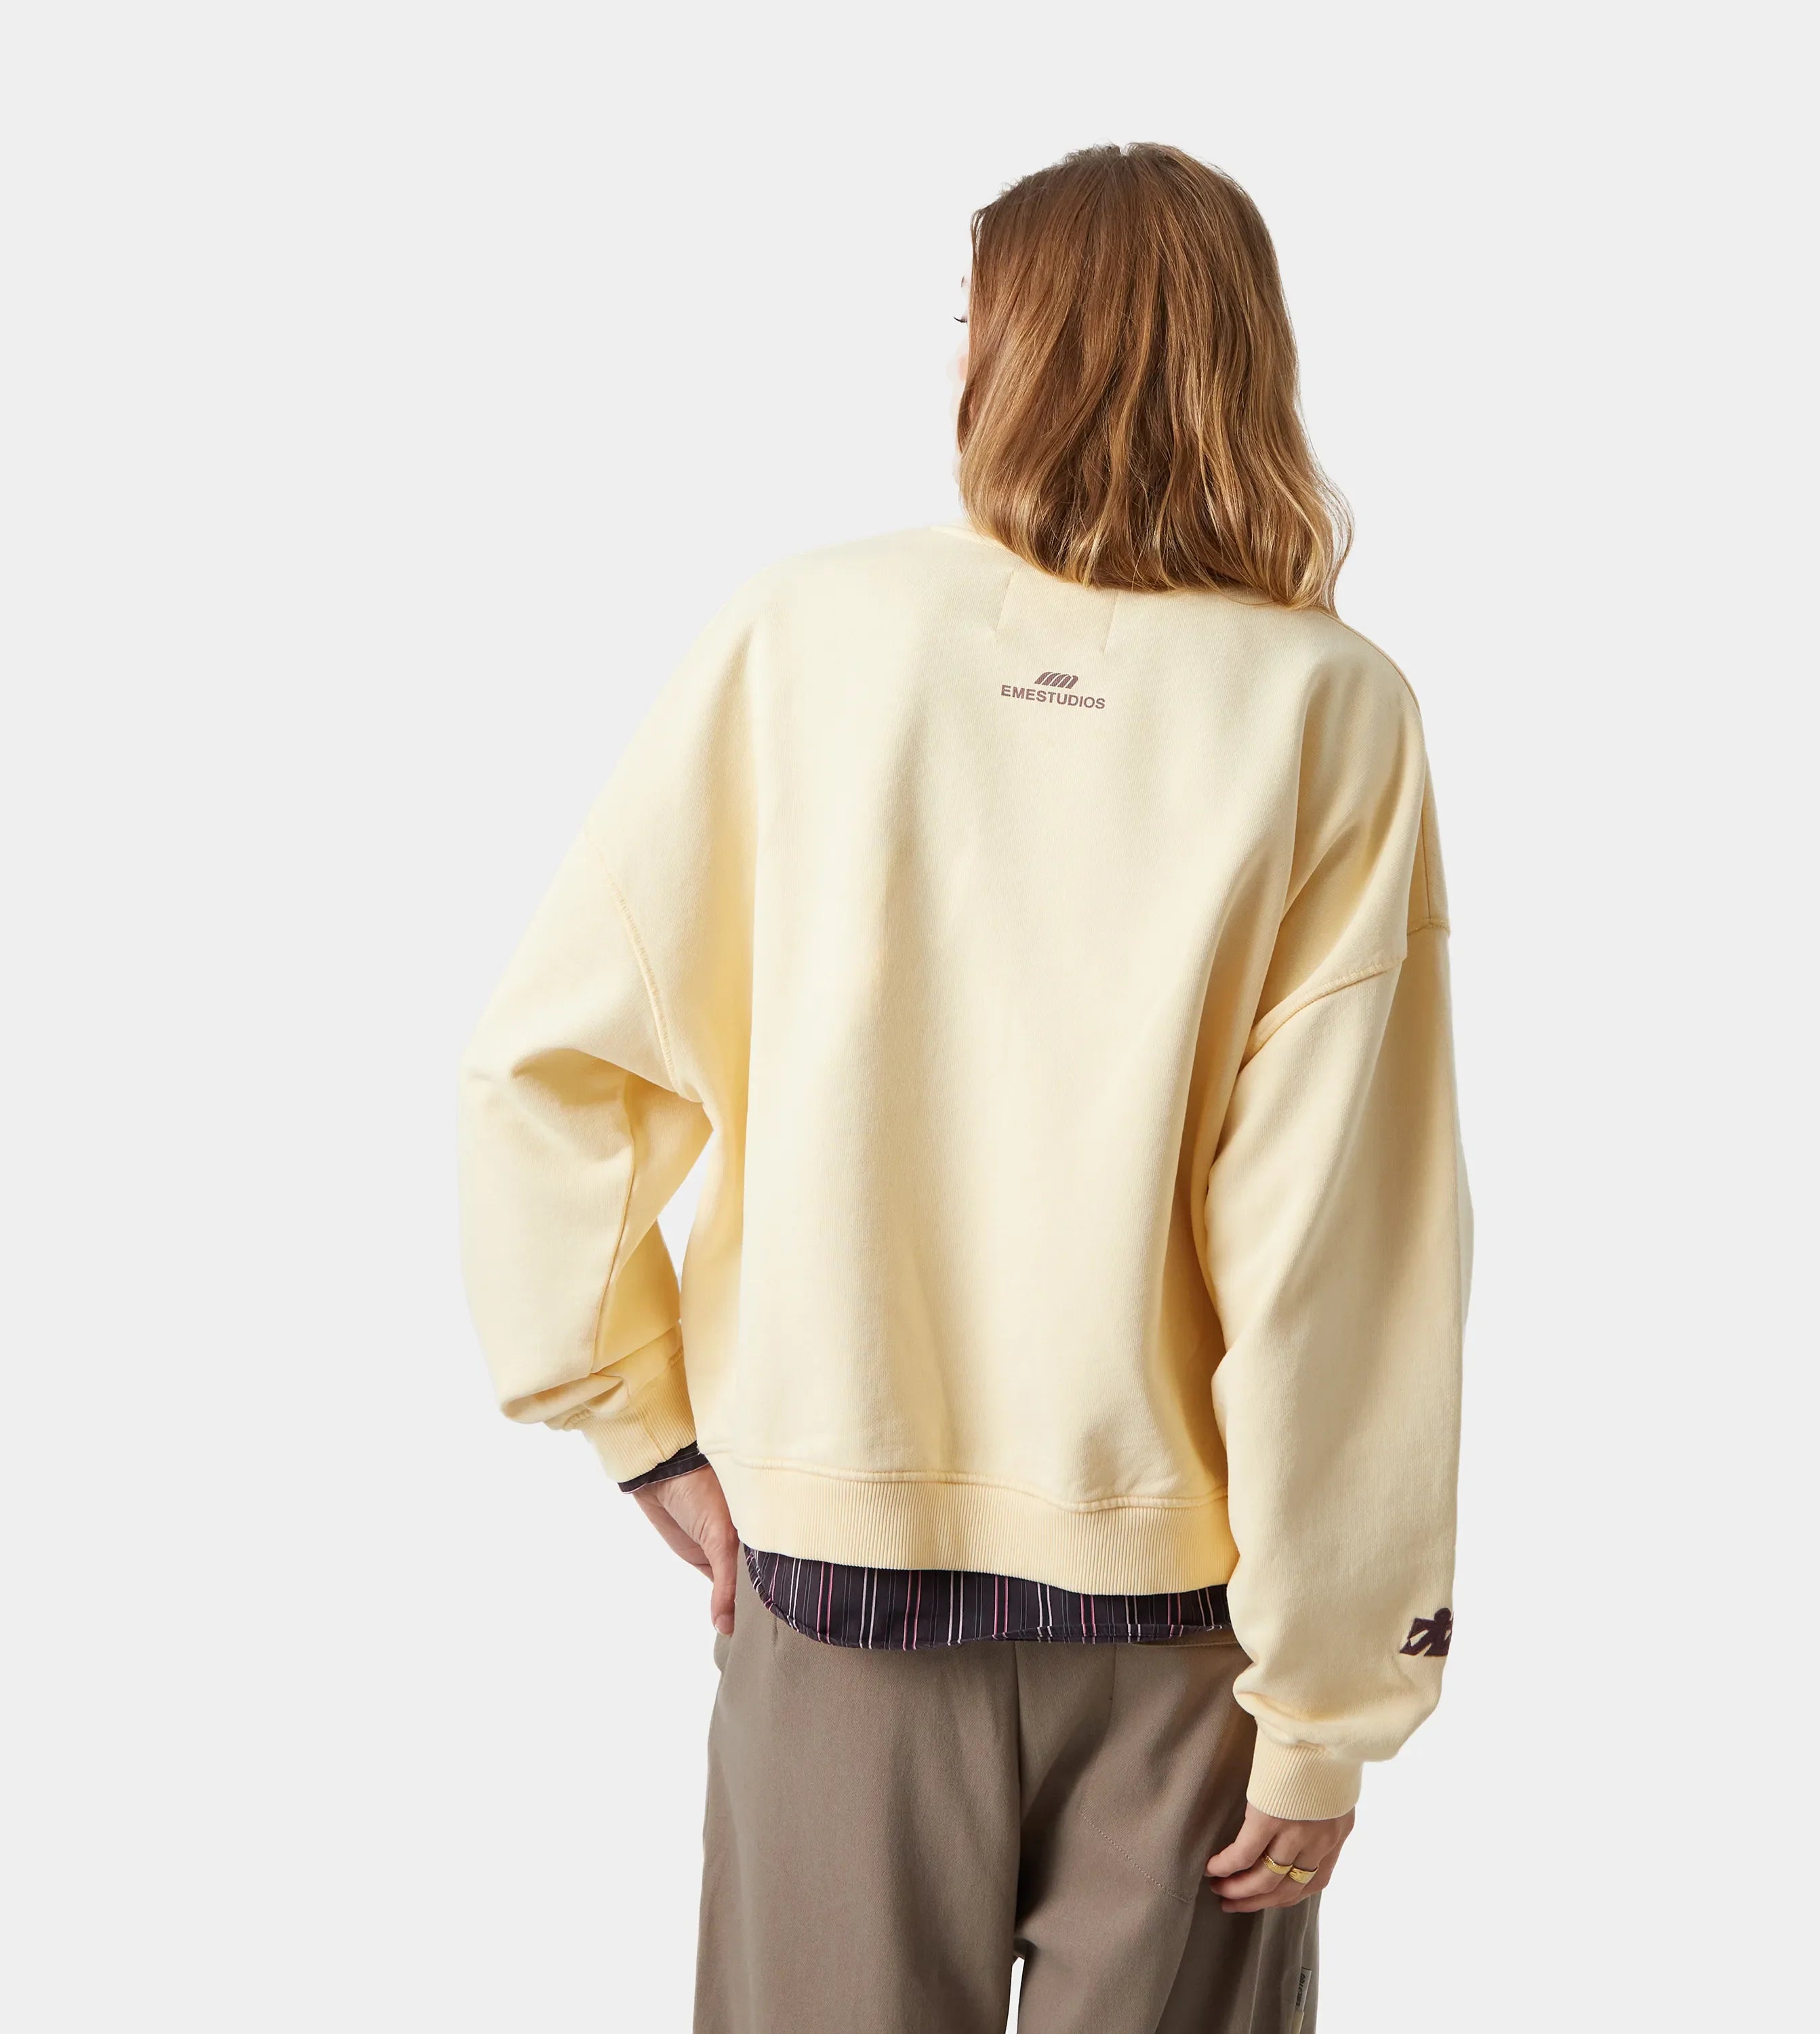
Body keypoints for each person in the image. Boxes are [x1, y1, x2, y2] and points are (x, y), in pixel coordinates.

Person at [458, 142, 1471, 2034]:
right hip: (1190, 1637)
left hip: (841, 1596)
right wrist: (1329, 1703)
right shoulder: (1329, 706)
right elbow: (1344, 1251)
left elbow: (555, 1071)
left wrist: (639, 1423)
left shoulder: (801, 636)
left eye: (971, 321)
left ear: (1017, 354)